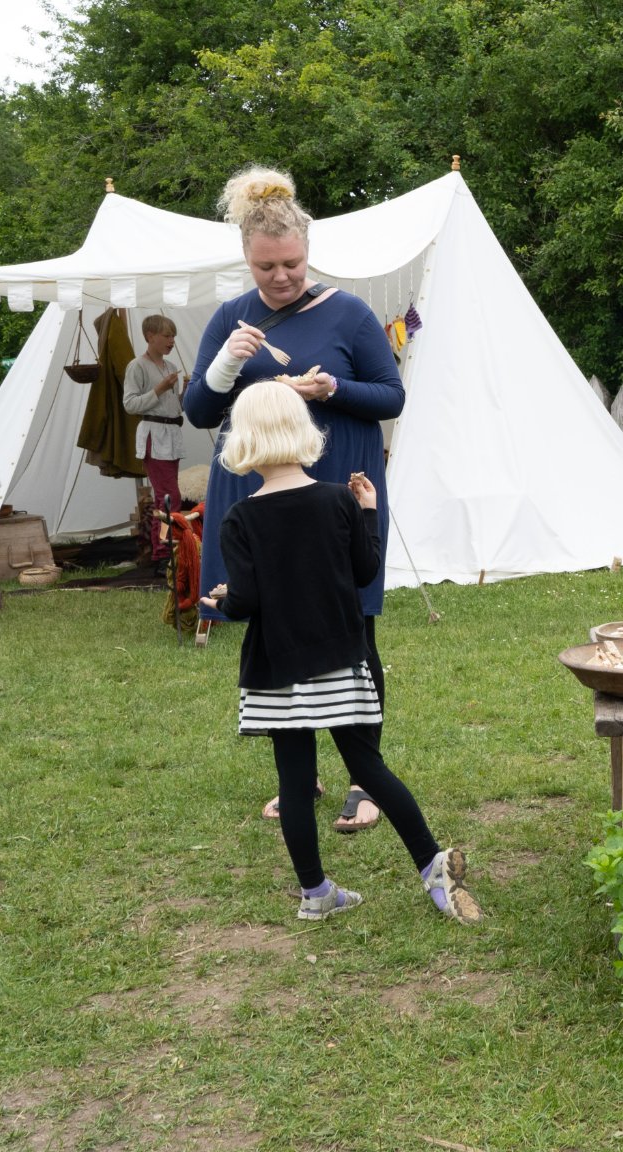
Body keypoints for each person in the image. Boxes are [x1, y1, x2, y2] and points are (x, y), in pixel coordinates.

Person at [200, 380, 480, 924]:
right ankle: (431, 868)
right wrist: (368, 511)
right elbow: (364, 571)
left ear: (244, 440)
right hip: (339, 660)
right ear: (303, 431)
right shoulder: (337, 500)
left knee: (295, 782)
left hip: (276, 670)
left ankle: (315, 894)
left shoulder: (240, 519)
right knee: (368, 768)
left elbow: (249, 600)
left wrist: (225, 600)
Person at [183, 166, 401, 831]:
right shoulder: (231, 317)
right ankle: (297, 778)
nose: (280, 277)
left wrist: (331, 389)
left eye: (292, 263)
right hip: (265, 503)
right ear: (248, 259)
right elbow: (197, 410)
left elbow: (391, 396)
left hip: (336, 495)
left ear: (307, 251)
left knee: (351, 634)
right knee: (278, 637)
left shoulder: (349, 313)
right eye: (266, 266)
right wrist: (226, 365)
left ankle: (366, 782)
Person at [122, 314, 185, 562]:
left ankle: (169, 548)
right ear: (150, 336)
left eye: (174, 336)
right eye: (167, 336)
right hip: (154, 436)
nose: (172, 341)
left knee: (167, 495)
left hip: (171, 434)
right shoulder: (137, 366)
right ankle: (163, 552)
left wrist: (185, 391)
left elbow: (174, 408)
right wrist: (159, 389)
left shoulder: (169, 367)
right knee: (169, 496)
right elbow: (130, 404)